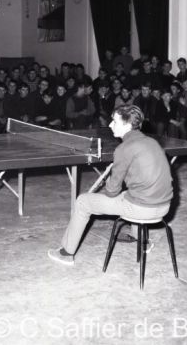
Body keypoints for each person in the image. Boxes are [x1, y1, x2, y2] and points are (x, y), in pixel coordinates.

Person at [48, 105, 173, 266]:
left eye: (114, 121)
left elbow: (112, 191)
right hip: (164, 206)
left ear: (127, 125)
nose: (110, 125)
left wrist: (109, 182)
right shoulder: (153, 142)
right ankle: (142, 241)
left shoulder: (124, 148)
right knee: (131, 193)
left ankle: (66, 253)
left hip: (142, 209)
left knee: (83, 201)